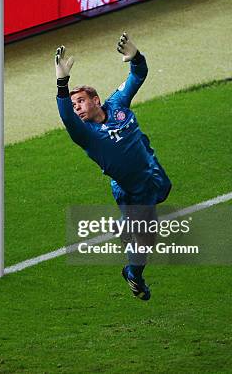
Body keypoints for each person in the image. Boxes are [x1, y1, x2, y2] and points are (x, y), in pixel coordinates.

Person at [55, 33, 172, 301]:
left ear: (96, 100)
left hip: (152, 170)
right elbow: (65, 117)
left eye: (81, 101)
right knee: (146, 240)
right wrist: (62, 82)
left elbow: (138, 76)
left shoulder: (117, 104)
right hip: (131, 190)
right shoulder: (87, 135)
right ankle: (134, 275)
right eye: (74, 105)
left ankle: (125, 226)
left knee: (165, 190)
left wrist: (136, 57)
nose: (77, 108)